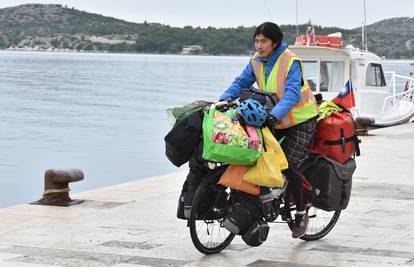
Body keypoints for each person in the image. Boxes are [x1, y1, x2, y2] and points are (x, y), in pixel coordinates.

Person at [220, 22, 319, 238]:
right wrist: (223, 100)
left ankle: (301, 212)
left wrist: (274, 115)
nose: (259, 45)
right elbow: (241, 82)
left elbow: (292, 94)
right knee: (256, 155)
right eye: (256, 40)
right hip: (273, 119)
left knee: (287, 165)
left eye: (263, 41)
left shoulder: (290, 61)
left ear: (275, 42)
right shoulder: (256, 59)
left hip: (300, 119)